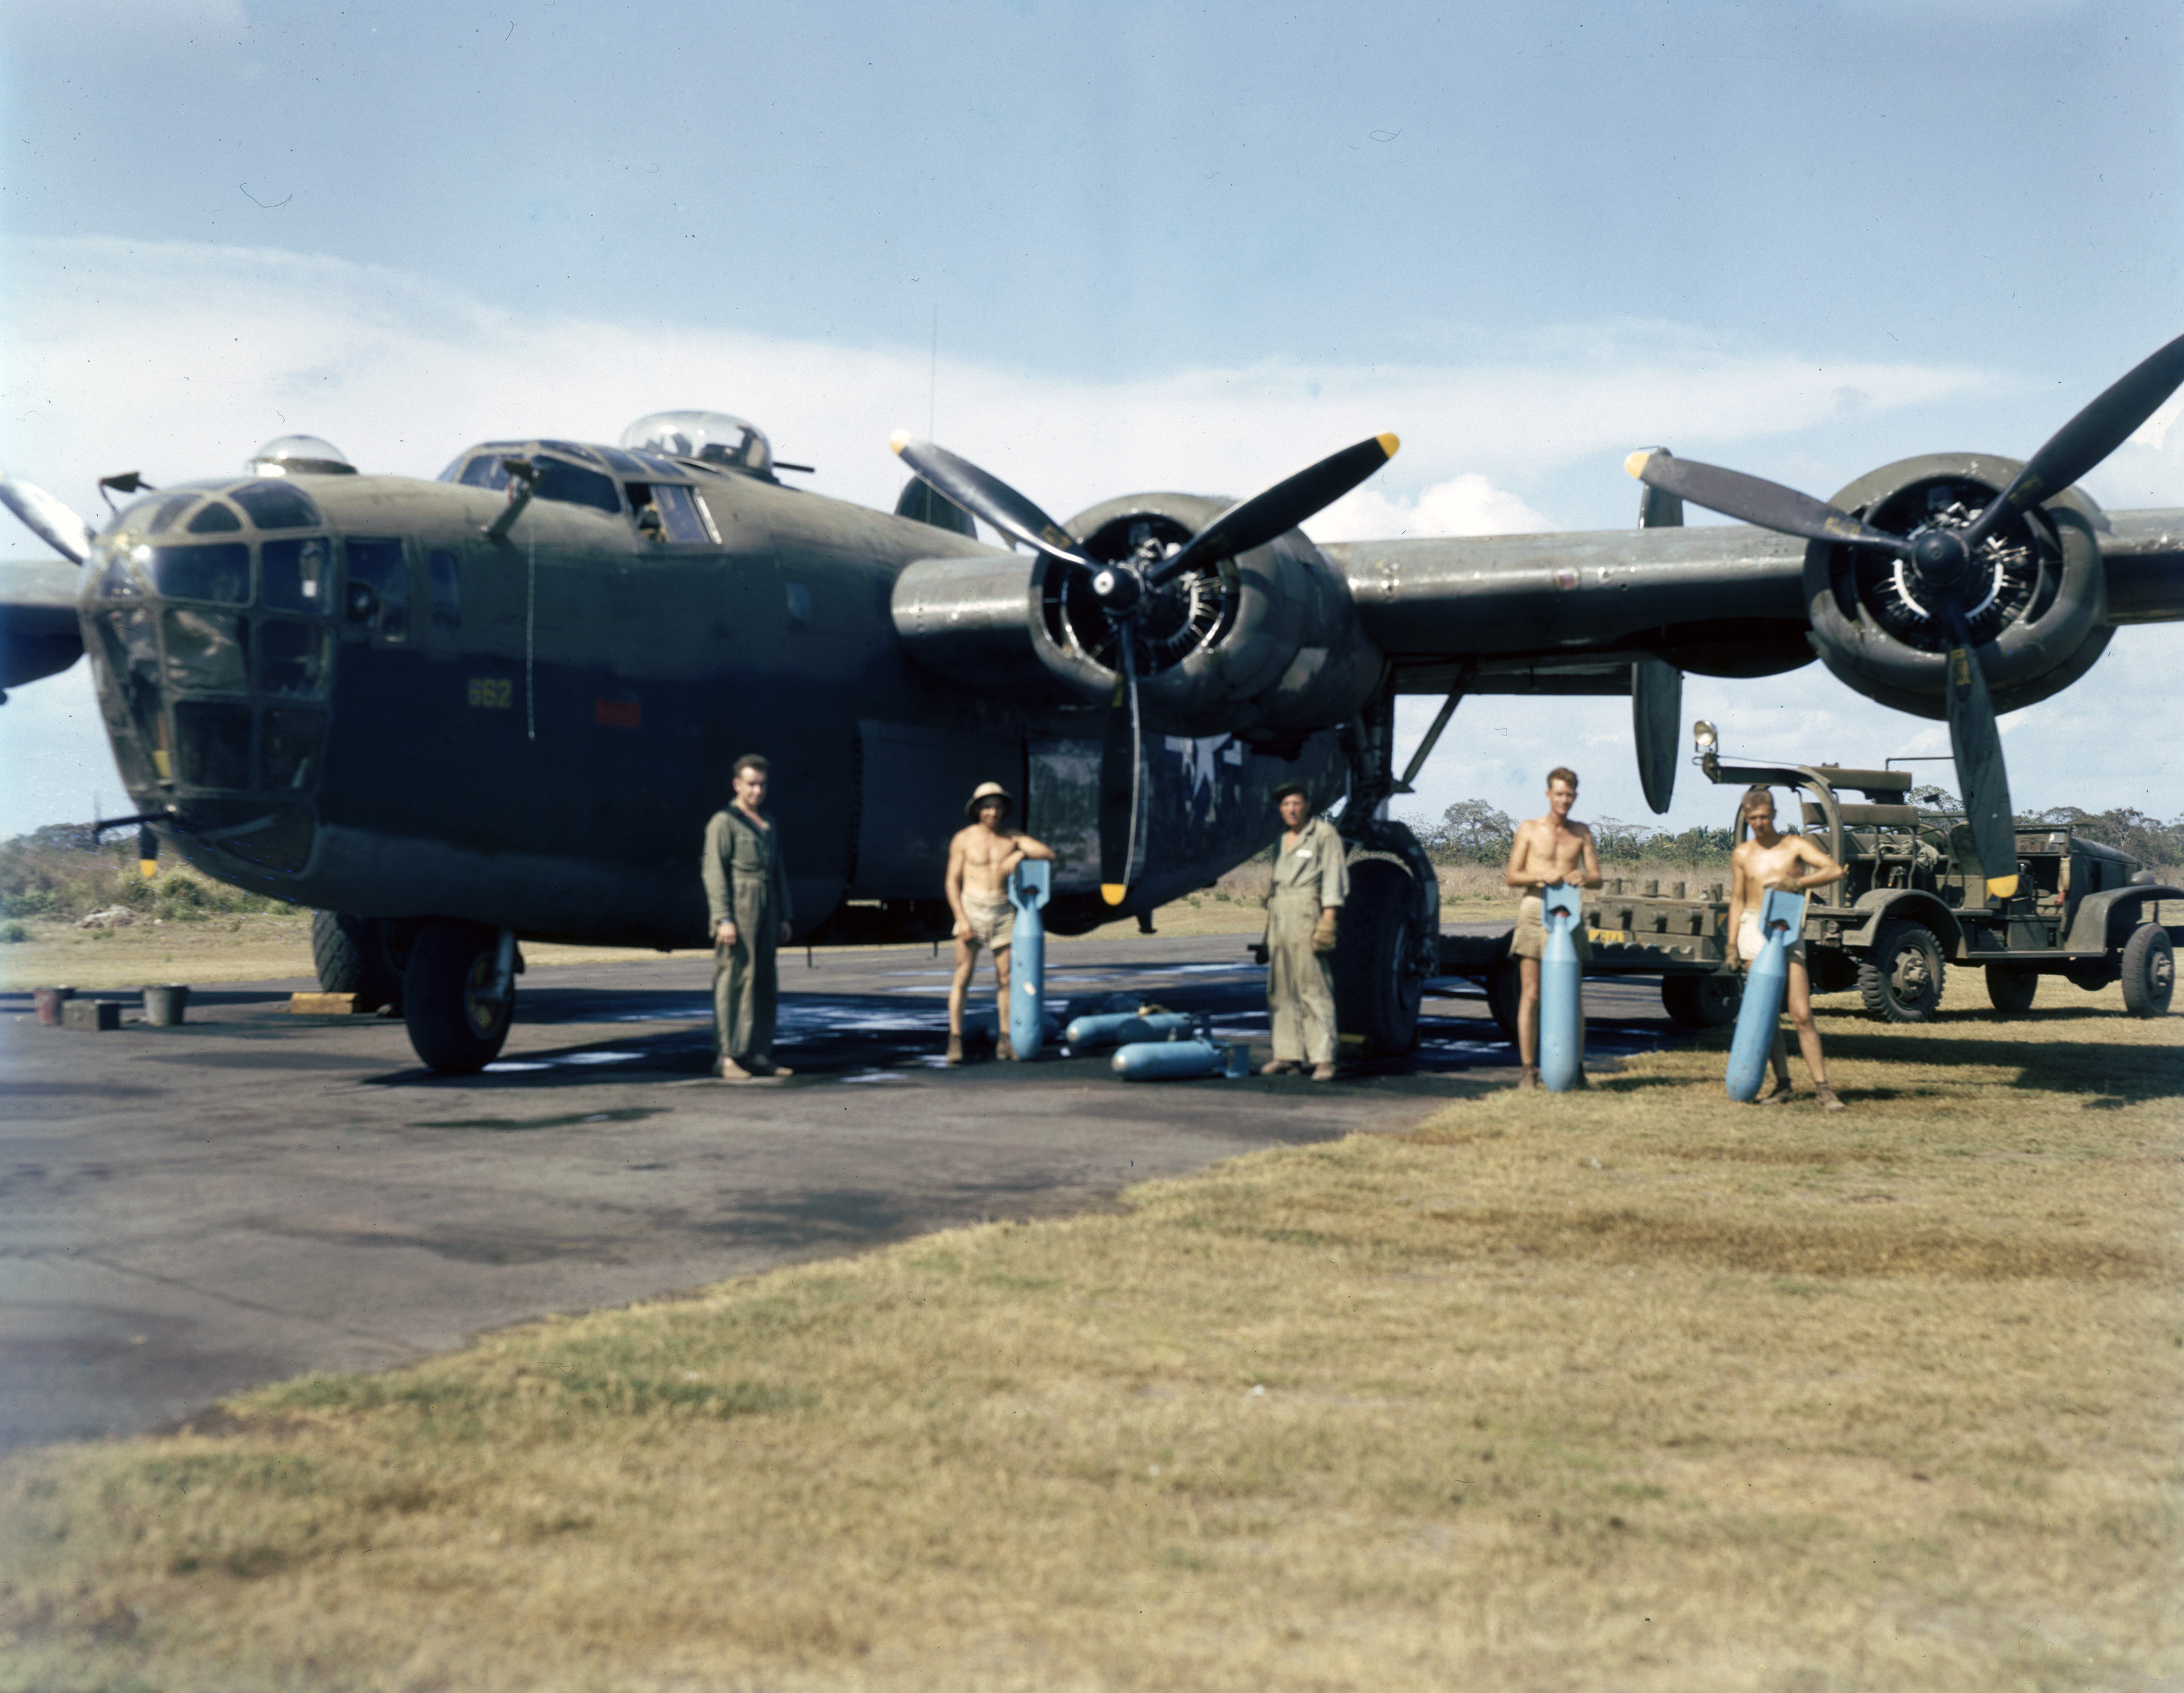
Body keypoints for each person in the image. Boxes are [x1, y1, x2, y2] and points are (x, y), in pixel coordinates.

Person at [1726, 786, 1847, 1110]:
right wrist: (1730, 945)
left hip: (1786, 927)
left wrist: (1797, 883)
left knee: (1801, 1012)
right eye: (1753, 819)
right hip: (1753, 930)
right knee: (1765, 1013)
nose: (1759, 824)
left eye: (1764, 817)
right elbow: (1737, 900)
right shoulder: (1742, 854)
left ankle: (1823, 1088)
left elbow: (1834, 870)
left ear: (1775, 814)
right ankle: (1783, 1084)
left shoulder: (1794, 846)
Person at [1503, 766, 1603, 1089]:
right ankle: (1528, 1070)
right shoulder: (1529, 829)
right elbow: (1512, 876)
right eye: (1559, 794)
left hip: (1569, 913)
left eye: (1570, 795)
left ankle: (1576, 1068)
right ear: (1548, 795)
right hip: (1535, 909)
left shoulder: (1582, 832)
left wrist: (1584, 878)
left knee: (1572, 996)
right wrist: (1539, 876)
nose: (1565, 800)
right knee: (1531, 994)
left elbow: (1597, 877)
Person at [943, 781, 1055, 1064]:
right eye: (987, 807)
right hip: (972, 910)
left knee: (1007, 978)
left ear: (1003, 809)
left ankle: (1006, 1040)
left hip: (1004, 912)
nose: (992, 812)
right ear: (978, 809)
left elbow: (1048, 853)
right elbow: (951, 881)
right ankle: (955, 1041)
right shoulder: (964, 839)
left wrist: (1020, 853)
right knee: (963, 976)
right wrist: (961, 918)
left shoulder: (1012, 837)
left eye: (997, 807)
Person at [701, 754, 795, 1081]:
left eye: (762, 784)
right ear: (737, 784)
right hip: (739, 909)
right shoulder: (723, 823)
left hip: (767, 908)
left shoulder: (767, 822)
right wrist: (723, 918)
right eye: (751, 784)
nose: (757, 791)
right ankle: (726, 1057)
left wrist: (785, 915)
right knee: (734, 981)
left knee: (764, 980)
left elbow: (778, 871)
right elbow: (713, 873)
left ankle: (758, 1052)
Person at [1260, 782, 1347, 1081]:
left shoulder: (1324, 835)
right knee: (1280, 989)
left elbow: (1335, 878)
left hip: (1307, 913)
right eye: (1285, 805)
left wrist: (1328, 921)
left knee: (1313, 987)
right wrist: (1266, 934)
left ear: (1308, 805)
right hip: (1280, 914)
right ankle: (1288, 1054)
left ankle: (1323, 1058)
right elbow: (1274, 888)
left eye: (1296, 803)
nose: (1291, 810)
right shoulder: (1281, 840)